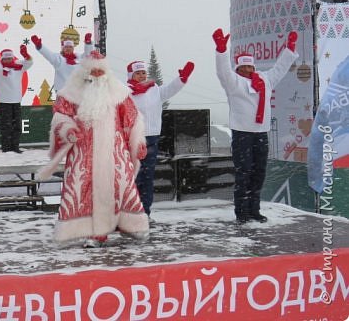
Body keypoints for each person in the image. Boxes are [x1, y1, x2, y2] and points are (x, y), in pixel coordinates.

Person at [38, 50, 149, 247]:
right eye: (93, 72)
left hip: (114, 156)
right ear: (84, 73)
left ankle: (130, 226)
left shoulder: (118, 93)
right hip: (83, 156)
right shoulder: (70, 94)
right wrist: (68, 130)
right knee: (84, 194)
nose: (97, 75)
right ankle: (93, 234)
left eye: (101, 71)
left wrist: (138, 142)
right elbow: (60, 118)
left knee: (120, 190)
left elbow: (133, 119)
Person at [213, 28, 298, 224]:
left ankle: (254, 209)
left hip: (261, 133)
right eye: (245, 68)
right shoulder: (233, 82)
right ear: (239, 69)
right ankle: (241, 211)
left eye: (251, 67)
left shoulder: (265, 80)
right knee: (243, 173)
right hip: (242, 133)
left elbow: (280, 69)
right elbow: (222, 71)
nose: (249, 70)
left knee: (259, 172)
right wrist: (220, 50)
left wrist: (289, 49)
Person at [127, 59, 195, 216]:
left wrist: (182, 78)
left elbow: (170, 90)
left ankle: (145, 213)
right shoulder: (126, 91)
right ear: (131, 75)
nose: (142, 76)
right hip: (133, 139)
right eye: (138, 73)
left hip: (151, 138)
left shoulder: (155, 89)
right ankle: (131, 213)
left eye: (144, 72)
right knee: (134, 178)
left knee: (148, 178)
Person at [0, 40, 33, 153]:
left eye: (10, 58)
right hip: (3, 102)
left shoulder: (18, 66)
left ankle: (15, 147)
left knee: (17, 126)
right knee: (6, 126)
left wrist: (26, 55)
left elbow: (29, 63)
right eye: (6, 58)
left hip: (16, 101)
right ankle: (6, 148)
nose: (8, 60)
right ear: (2, 58)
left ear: (13, 58)